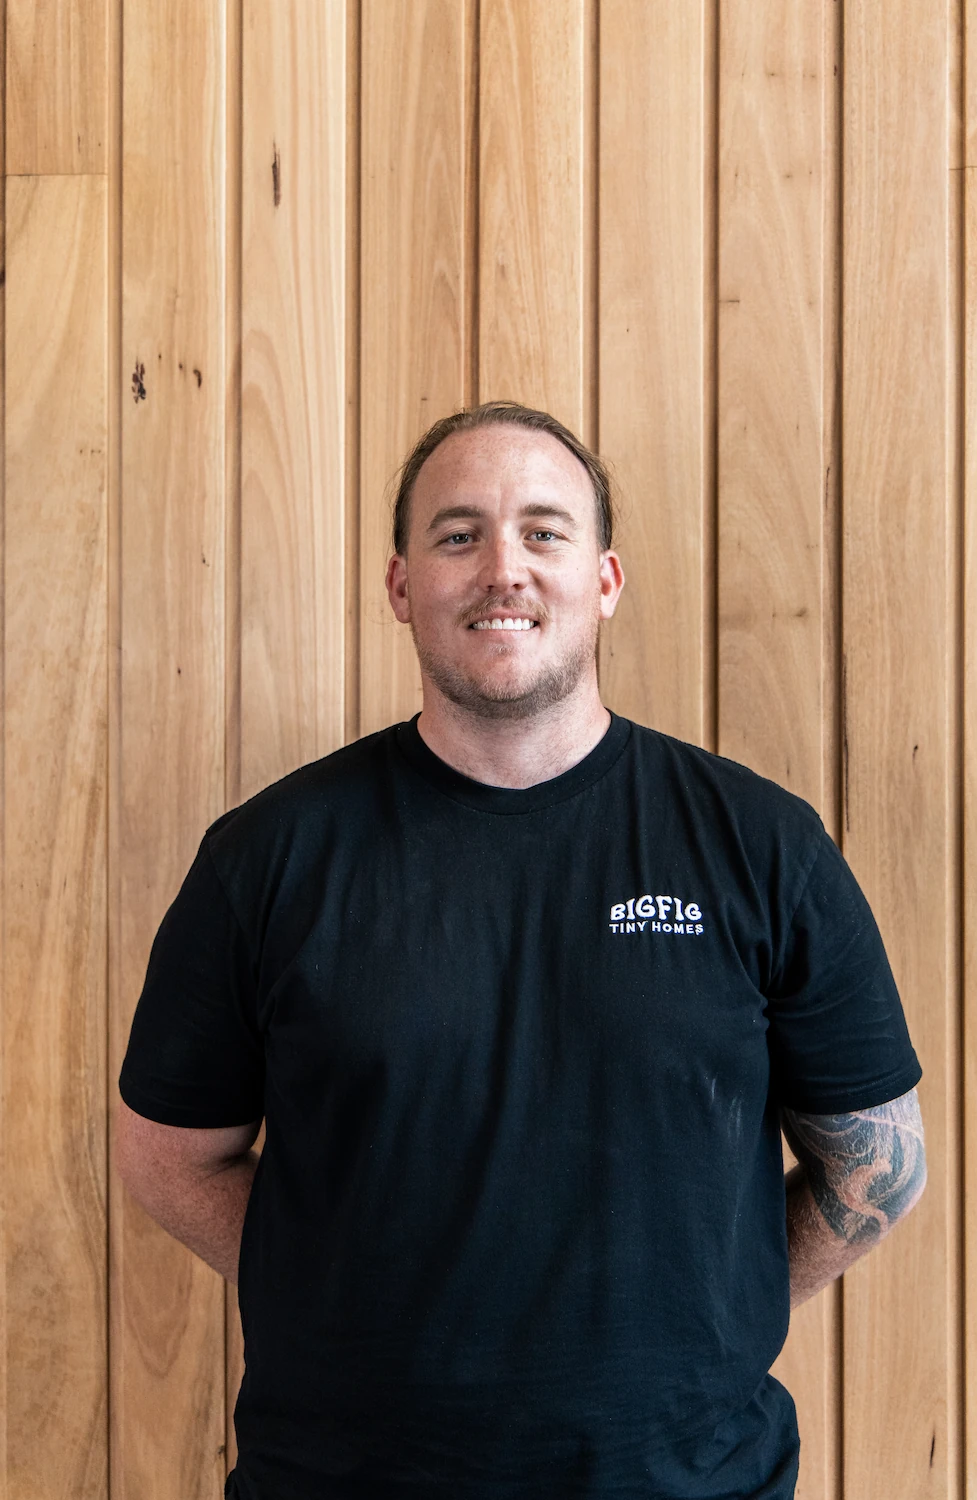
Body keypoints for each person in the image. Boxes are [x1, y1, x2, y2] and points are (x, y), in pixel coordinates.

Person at [116, 401, 926, 1500]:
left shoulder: (757, 844)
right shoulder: (270, 855)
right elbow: (169, 1159)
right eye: (459, 535)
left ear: (603, 580)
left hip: (690, 1480)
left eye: (544, 532)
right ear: (402, 586)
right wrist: (340, 1291)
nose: (504, 567)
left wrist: (708, 1308)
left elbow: (879, 1161)